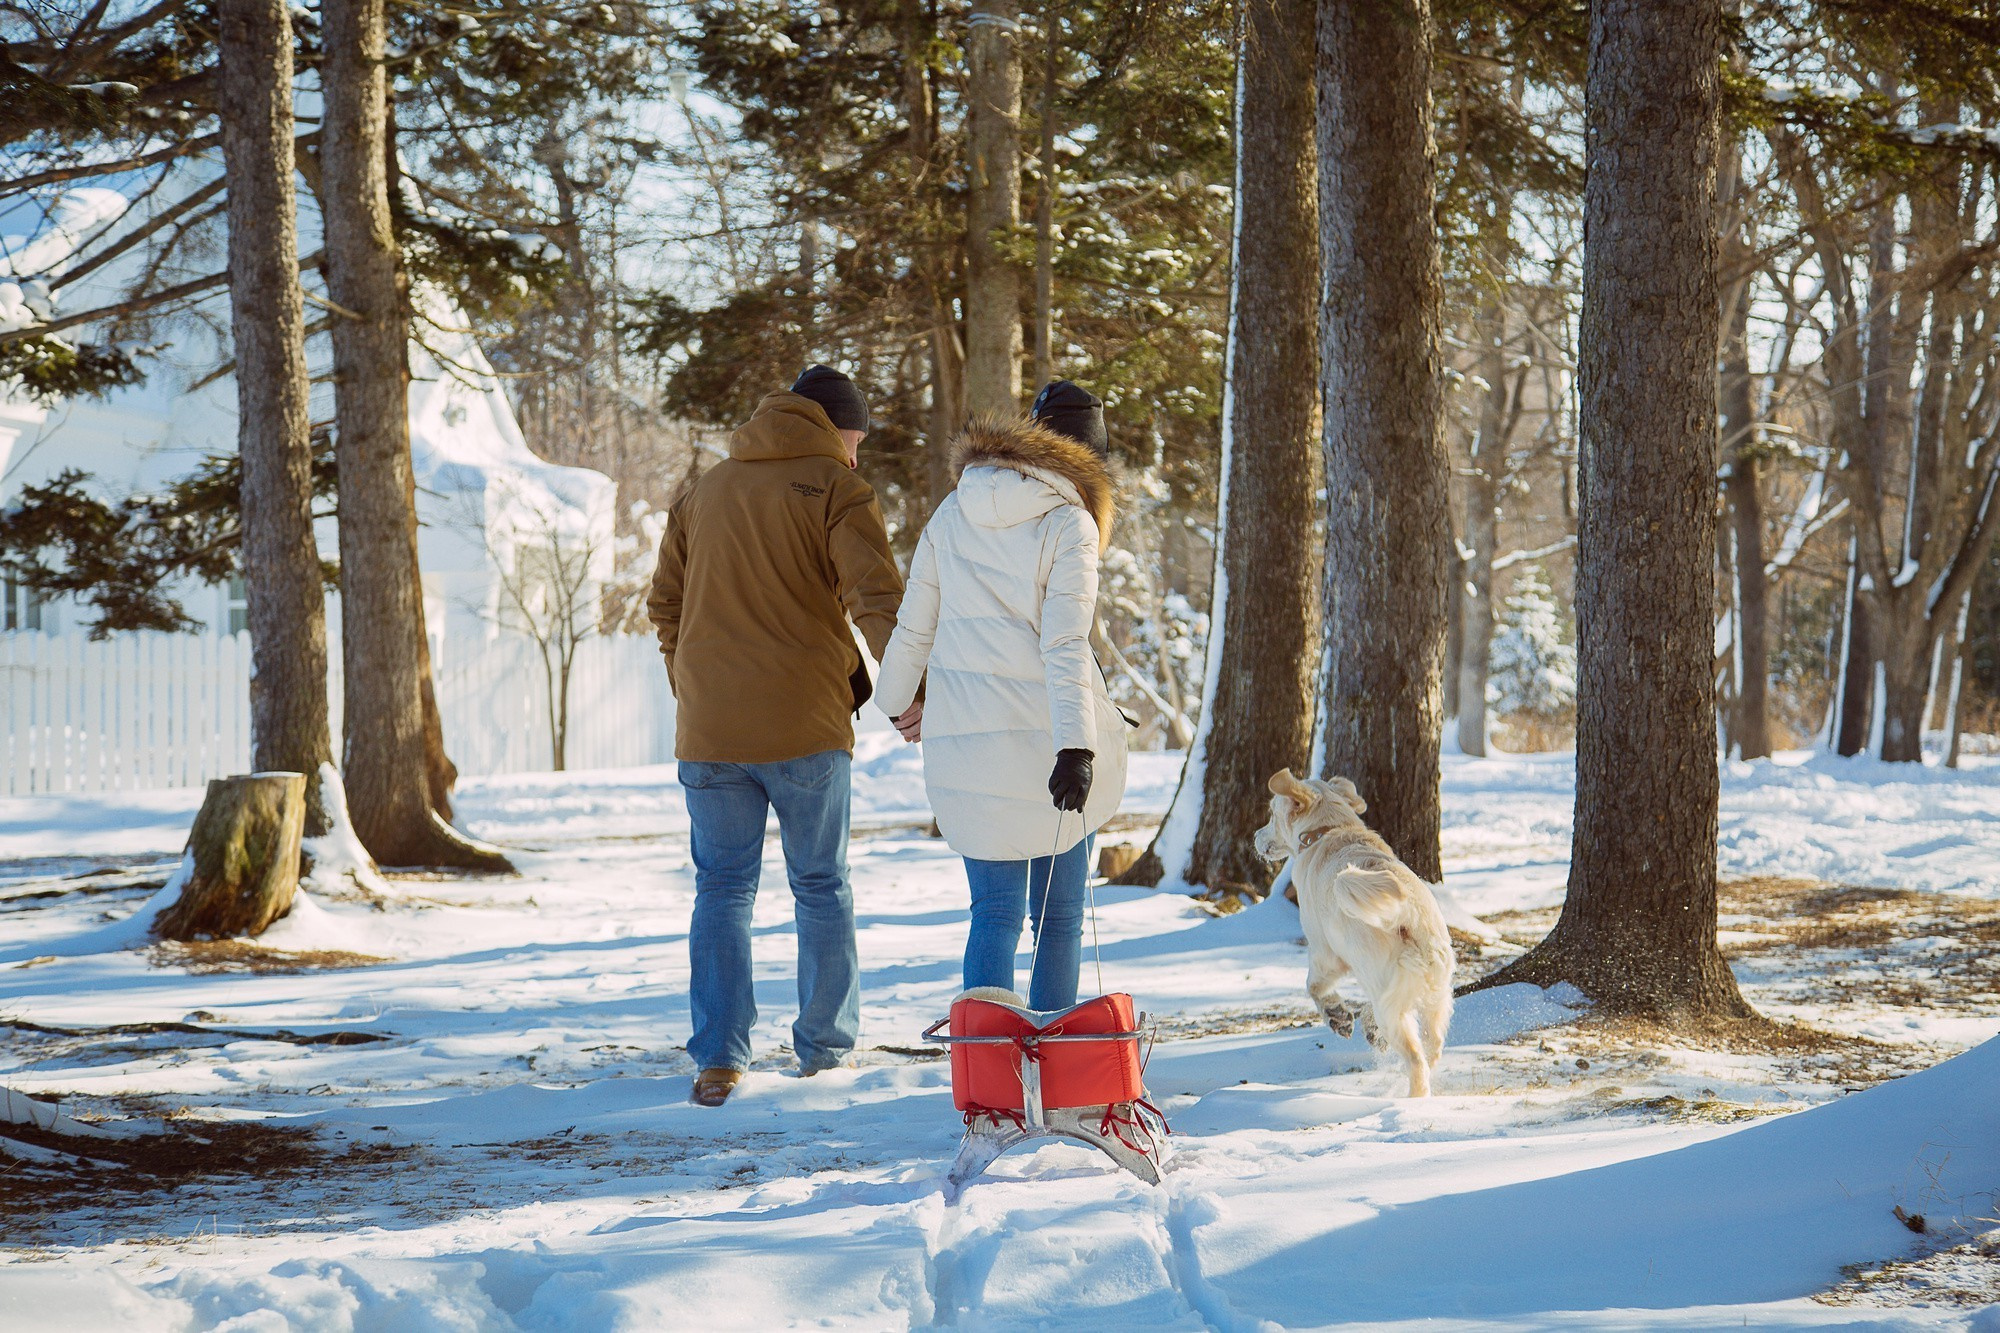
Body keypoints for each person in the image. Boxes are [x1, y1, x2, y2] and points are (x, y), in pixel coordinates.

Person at [647, 365, 905, 1106]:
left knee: (721, 889)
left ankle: (719, 1060)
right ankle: (824, 1052)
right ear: (833, 429)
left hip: (710, 731)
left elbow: (665, 604)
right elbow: (875, 596)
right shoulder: (836, 487)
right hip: (804, 726)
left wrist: (693, 682)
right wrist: (913, 692)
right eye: (853, 438)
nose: (855, 455)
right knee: (820, 885)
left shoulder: (704, 491)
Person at [875, 380, 1130, 1012]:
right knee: (1058, 919)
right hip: (1049, 746)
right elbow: (1065, 643)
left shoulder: (952, 511)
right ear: (1089, 459)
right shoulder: (1069, 522)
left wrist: (896, 701)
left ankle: (988, 1082)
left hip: (969, 748)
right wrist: (1078, 747)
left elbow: (914, 627)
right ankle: (1052, 1073)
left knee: (992, 914)